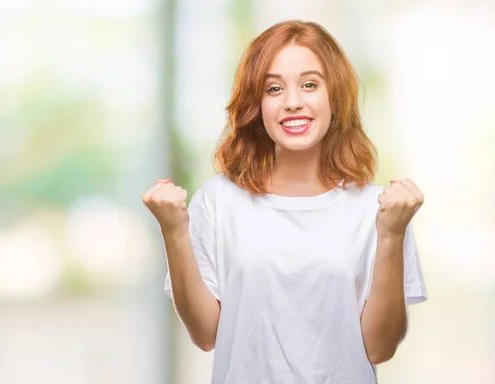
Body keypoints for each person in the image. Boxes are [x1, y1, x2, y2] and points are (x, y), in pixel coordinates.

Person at [142, 20, 427, 384]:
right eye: (274, 88)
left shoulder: (381, 210)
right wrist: (173, 230)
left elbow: (379, 348)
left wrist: (391, 236)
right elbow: (205, 334)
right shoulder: (218, 200)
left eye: (310, 84)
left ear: (334, 96)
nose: (293, 102)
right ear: (256, 105)